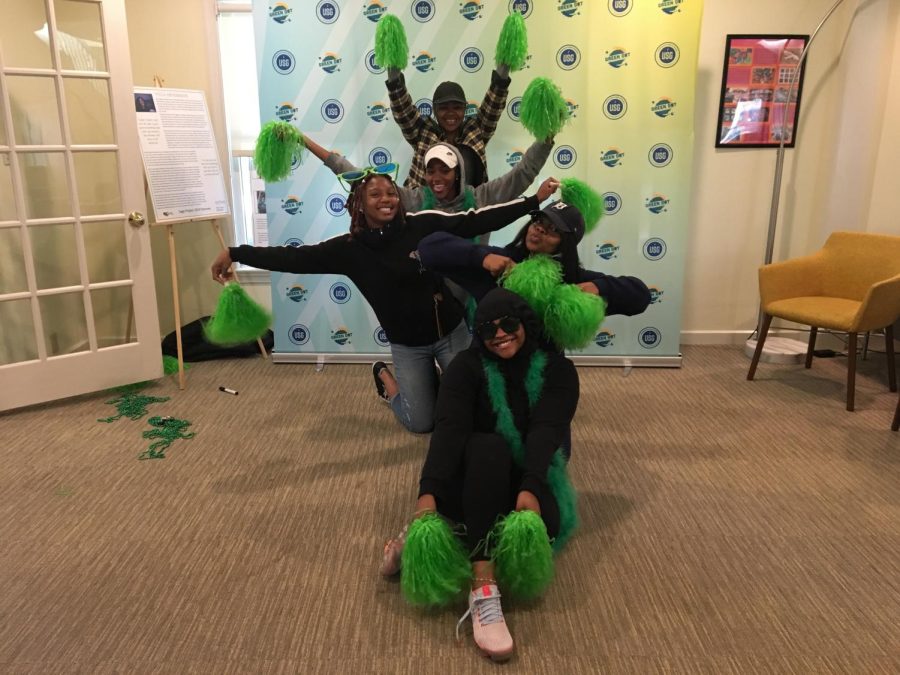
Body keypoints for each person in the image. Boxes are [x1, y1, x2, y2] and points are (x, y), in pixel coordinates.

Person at [211, 169, 558, 433]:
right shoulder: (347, 250)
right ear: (359, 202)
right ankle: (387, 381)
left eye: (391, 192)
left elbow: (476, 220)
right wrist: (235, 252)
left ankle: (440, 381)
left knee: (480, 409)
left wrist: (533, 202)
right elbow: (292, 258)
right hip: (408, 346)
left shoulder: (420, 224)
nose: (387, 199)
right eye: (375, 194)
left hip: (451, 333)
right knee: (421, 423)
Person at [380, 288, 578, 661]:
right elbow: (449, 430)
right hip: (473, 470)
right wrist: (428, 493)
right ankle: (483, 583)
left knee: (542, 531)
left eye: (508, 324)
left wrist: (532, 487)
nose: (499, 334)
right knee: (489, 448)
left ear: (526, 323)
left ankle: (428, 539)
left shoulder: (559, 371)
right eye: (488, 329)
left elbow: (546, 432)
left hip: (525, 473)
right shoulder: (466, 368)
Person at [417, 200, 652, 315]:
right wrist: (482, 257)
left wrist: (600, 287)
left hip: (545, 366)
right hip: (491, 357)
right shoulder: (501, 265)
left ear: (566, 243)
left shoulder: (571, 281)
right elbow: (429, 247)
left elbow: (640, 296)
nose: (539, 229)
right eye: (539, 221)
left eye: (552, 229)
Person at [301, 134, 552, 216]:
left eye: (445, 170)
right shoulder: (416, 200)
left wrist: (547, 136)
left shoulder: (481, 197)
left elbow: (522, 174)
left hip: (471, 299)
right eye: (431, 171)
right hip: (431, 300)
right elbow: (361, 178)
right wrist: (305, 142)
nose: (436, 178)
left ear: (458, 173)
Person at [385, 62, 511, 189]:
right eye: (443, 108)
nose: (451, 113)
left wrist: (502, 74)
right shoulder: (421, 131)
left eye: (457, 107)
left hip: (470, 205)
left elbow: (494, 103)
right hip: (425, 206)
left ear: (465, 109)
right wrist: (394, 79)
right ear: (434, 110)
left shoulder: (476, 130)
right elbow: (402, 109)